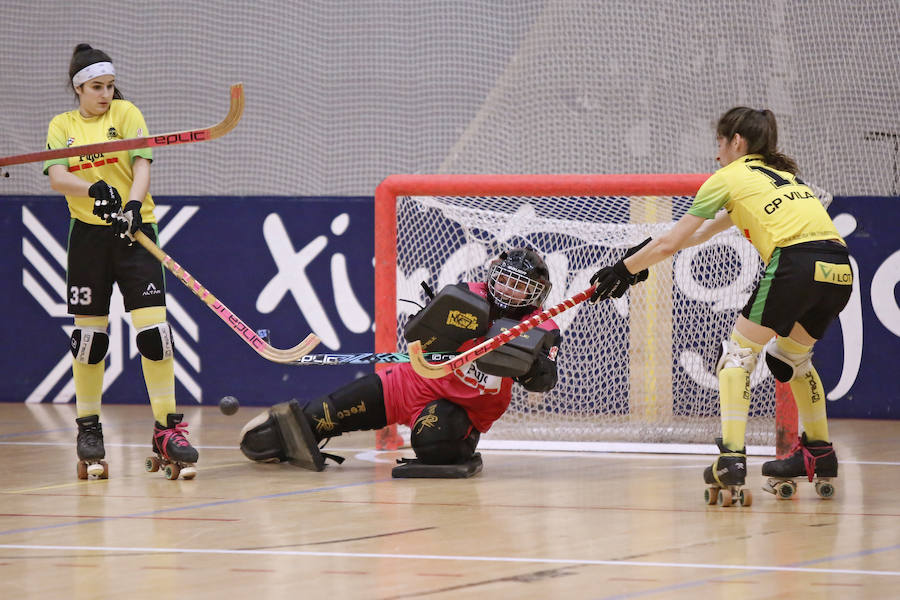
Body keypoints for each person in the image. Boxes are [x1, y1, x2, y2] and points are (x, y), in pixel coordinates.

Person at [590, 107, 851, 504]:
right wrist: (638, 260)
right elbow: (693, 237)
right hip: (837, 268)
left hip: (796, 264)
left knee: (736, 357)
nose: (716, 154)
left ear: (737, 143)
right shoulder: (784, 178)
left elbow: (672, 242)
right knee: (791, 359)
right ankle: (819, 454)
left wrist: (622, 271)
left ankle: (730, 459)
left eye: (719, 143)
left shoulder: (727, 177)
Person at [239, 248, 562, 477]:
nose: (508, 291)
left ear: (537, 294)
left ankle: (458, 440)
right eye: (505, 280)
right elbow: (418, 334)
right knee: (313, 419)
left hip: (461, 408)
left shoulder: (542, 326)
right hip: (407, 383)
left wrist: (526, 364)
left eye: (521, 287)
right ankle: (286, 441)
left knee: (434, 445)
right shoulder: (465, 295)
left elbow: (545, 379)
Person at [43, 44, 198, 480]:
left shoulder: (127, 114)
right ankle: (88, 429)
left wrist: (130, 206)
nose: (105, 94)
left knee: (155, 334)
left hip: (135, 233)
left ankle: (167, 430)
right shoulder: (62, 126)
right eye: (96, 87)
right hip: (89, 238)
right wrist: (93, 190)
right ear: (78, 87)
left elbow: (142, 165)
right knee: (90, 340)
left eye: (109, 85)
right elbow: (58, 176)